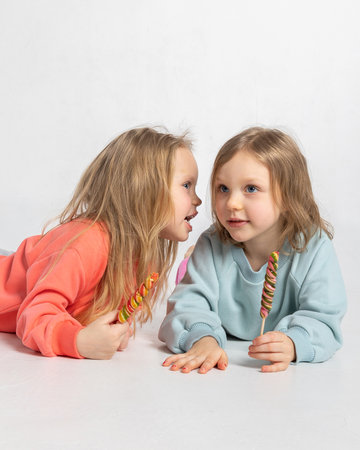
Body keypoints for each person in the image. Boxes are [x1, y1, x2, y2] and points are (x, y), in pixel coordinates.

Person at [0, 127, 201, 359]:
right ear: (144, 188)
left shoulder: (137, 255)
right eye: (187, 185)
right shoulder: (86, 243)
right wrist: (77, 340)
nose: (197, 199)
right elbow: (34, 314)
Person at [159, 127, 347, 373]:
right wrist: (203, 338)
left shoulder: (314, 247)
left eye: (250, 189)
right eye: (223, 188)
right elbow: (188, 304)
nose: (232, 203)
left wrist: (294, 342)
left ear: (289, 197)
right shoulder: (212, 244)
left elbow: (324, 317)